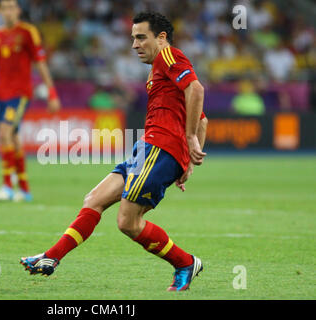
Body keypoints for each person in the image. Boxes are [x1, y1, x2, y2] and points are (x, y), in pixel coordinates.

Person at [21, 12, 208, 292]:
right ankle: (50, 258)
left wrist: (189, 140)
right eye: (133, 38)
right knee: (94, 199)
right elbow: (201, 117)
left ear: (161, 37)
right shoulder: (159, 70)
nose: (134, 44)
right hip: (147, 148)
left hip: (160, 147)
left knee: (127, 222)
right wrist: (188, 160)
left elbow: (197, 89)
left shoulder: (170, 56)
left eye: (141, 37)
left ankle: (185, 263)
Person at [0, 0, 61, 201]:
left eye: (11, 7)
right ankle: (25, 189)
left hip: (20, 94)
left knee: (4, 132)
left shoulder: (28, 32)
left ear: (17, 10)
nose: (8, 11)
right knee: (15, 139)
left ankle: (7, 186)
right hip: (1, 95)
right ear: (0, 11)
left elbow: (41, 64)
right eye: (4, 8)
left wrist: (52, 93)